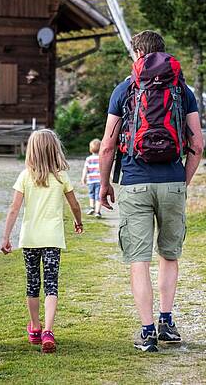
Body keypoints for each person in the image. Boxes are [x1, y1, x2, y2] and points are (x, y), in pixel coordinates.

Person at [99, 30, 203, 353]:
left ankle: (147, 332)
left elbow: (106, 147)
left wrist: (104, 185)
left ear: (137, 55)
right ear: (161, 53)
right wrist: (181, 181)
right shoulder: (182, 90)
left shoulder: (124, 89)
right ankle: (167, 322)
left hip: (133, 181)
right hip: (171, 179)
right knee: (169, 255)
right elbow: (197, 145)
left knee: (139, 259)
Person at [0, 129, 83, 354]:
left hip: (30, 238)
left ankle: (35, 328)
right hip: (52, 238)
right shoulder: (61, 176)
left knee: (32, 282)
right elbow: (74, 204)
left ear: (32, 150)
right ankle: (48, 330)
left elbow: (14, 208)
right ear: (54, 149)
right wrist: (78, 221)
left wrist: (6, 237)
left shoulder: (25, 175)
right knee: (51, 284)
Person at [81, 138, 101, 217]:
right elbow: (104, 169)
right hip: (99, 180)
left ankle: (92, 207)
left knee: (91, 194)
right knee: (98, 196)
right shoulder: (101, 158)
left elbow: (85, 169)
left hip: (91, 180)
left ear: (90, 149)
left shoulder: (88, 159)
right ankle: (97, 212)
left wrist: (83, 178)